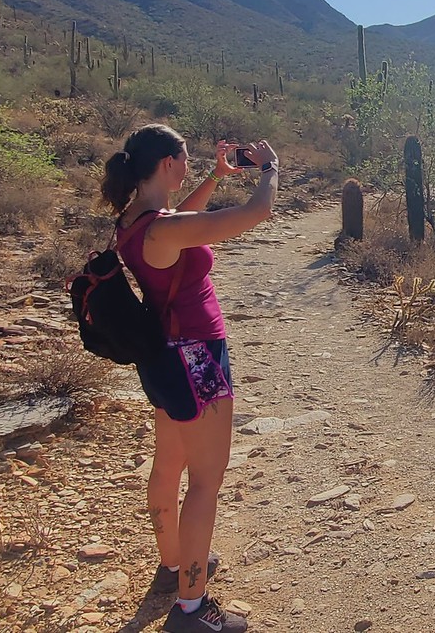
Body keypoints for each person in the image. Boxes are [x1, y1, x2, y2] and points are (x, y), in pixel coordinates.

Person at [99, 123, 278, 633]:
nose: (187, 166)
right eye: (184, 159)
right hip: (197, 357)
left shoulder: (134, 220)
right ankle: (192, 610)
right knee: (206, 481)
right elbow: (256, 213)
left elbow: (183, 220)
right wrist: (270, 170)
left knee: (169, 465)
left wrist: (216, 177)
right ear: (170, 164)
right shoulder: (163, 229)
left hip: (164, 358)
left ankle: (174, 566)